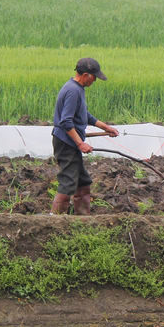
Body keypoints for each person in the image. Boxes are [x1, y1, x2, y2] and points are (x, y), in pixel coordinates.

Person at [50, 57, 119, 214]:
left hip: (70, 142)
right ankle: (54, 220)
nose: (94, 81)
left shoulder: (77, 88)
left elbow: (83, 115)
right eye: (94, 77)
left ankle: (83, 219)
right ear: (87, 75)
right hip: (66, 143)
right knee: (68, 181)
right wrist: (80, 143)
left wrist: (105, 127)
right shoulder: (73, 91)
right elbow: (66, 122)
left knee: (83, 181)